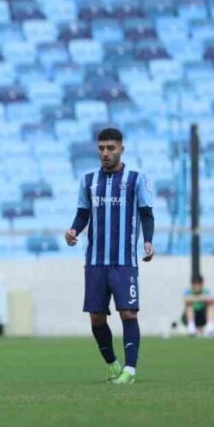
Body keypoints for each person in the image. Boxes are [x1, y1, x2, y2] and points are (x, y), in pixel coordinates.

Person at [65, 127, 154, 385]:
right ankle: (112, 364)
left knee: (128, 313)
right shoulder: (88, 180)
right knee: (96, 318)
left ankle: (130, 370)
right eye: (101, 148)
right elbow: (83, 214)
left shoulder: (136, 179)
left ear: (121, 149)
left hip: (124, 261)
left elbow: (146, 213)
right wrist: (73, 231)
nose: (105, 153)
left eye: (110, 148)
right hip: (95, 262)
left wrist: (147, 241)